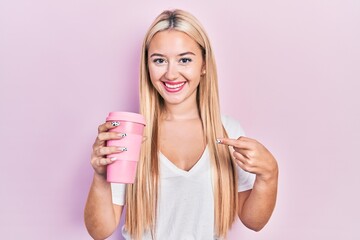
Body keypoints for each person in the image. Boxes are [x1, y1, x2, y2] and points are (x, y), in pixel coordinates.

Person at [84, 9, 278, 240]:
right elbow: (99, 231)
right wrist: (99, 177)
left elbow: (254, 222)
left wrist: (270, 174)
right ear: (147, 66)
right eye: (159, 60)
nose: (171, 73)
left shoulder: (229, 132)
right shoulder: (130, 135)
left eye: (184, 60)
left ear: (203, 65)